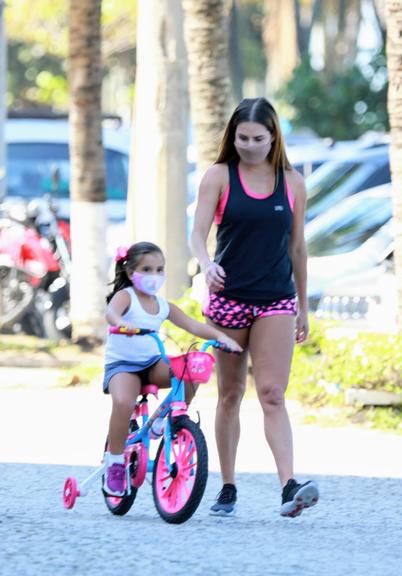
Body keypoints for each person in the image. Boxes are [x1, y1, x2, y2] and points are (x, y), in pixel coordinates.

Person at [190, 97, 319, 518]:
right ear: (233, 136)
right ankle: (227, 485)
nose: (249, 145)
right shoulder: (219, 176)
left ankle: (289, 486)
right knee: (229, 395)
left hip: (277, 300)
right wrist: (206, 265)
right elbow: (197, 235)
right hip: (228, 301)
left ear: (273, 137)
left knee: (272, 394)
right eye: (242, 138)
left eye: (257, 138)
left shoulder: (292, 182)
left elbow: (297, 247)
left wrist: (302, 305)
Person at [102, 241, 242, 497]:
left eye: (159, 269)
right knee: (123, 402)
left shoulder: (162, 305)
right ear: (131, 272)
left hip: (152, 363)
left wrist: (222, 338)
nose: (154, 276)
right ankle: (114, 463)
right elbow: (111, 313)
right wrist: (122, 323)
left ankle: (165, 421)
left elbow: (193, 326)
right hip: (123, 366)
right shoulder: (127, 297)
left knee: (192, 368)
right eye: (147, 269)